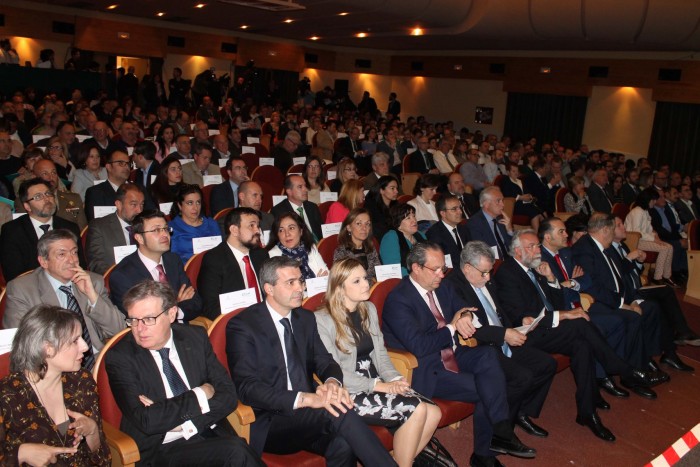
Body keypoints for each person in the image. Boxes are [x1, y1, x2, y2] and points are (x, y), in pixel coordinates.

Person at [226, 256, 397, 465]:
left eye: (301, 281)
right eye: (291, 283)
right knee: (338, 409)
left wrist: (332, 383)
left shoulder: (304, 319)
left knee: (343, 444)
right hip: (271, 419)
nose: (300, 288)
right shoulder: (243, 326)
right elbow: (247, 388)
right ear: (269, 289)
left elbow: (325, 361)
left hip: (309, 416)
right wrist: (306, 399)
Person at [495, 229, 661, 440]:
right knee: (580, 324)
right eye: (533, 247)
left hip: (549, 328)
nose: (538, 251)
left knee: (582, 346)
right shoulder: (507, 273)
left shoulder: (535, 268)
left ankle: (587, 412)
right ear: (518, 251)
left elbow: (555, 303)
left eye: (538, 246)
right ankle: (621, 368)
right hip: (528, 334)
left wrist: (552, 279)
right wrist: (565, 315)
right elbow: (520, 317)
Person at [382, 242, 535, 466]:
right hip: (426, 368)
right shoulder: (399, 299)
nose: (441, 275)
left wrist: (464, 316)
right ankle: (486, 453)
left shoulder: (442, 287)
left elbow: (463, 305)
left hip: (452, 353)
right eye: (435, 269)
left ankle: (501, 432)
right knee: (488, 387)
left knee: (488, 357)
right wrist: (453, 328)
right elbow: (419, 346)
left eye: (443, 269)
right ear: (416, 268)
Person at [105, 280, 263, 466]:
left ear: (171, 314)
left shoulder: (195, 337)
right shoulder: (120, 357)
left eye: (148, 319)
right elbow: (147, 421)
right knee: (236, 452)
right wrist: (200, 394)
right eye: (132, 320)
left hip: (209, 432)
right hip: (161, 449)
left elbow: (227, 395)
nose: (139, 329)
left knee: (236, 451)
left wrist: (184, 423)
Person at [315, 258, 441, 466]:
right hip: (349, 392)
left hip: (378, 383)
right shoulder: (323, 320)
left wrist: (396, 378)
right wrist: (381, 386)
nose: (366, 284)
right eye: (356, 281)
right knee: (418, 409)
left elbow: (381, 354)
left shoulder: (368, 310)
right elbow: (335, 373)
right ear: (339, 287)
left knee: (434, 412)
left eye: (365, 277)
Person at [444, 241, 557, 438]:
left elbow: (499, 309)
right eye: (484, 273)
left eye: (490, 271)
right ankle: (502, 429)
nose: (488, 277)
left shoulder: (484, 278)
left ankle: (519, 412)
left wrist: (519, 322)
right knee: (522, 377)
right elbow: (472, 329)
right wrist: (504, 334)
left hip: (505, 335)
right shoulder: (453, 285)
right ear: (468, 268)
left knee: (547, 364)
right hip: (485, 345)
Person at [0, 304, 111, 465]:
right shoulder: (7, 396)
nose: (85, 347)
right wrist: (20, 453)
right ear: (48, 349)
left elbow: (102, 460)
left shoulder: (81, 381)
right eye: (74, 341)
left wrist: (92, 431)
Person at [4, 229, 125, 365]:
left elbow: (119, 329)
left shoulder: (92, 281)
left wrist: (92, 296)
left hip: (97, 360)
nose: (72, 260)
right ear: (43, 261)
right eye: (62, 254)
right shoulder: (22, 289)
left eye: (74, 252)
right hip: (52, 364)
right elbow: (20, 343)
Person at [608, 216, 697, 368]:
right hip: (629, 292)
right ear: (609, 230)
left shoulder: (622, 246)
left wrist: (639, 262)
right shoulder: (608, 250)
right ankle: (675, 343)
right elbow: (617, 276)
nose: (624, 227)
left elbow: (634, 271)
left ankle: (673, 347)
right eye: (619, 225)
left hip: (636, 287)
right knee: (661, 298)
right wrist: (630, 259)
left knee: (665, 293)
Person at [109, 210, 205, 320]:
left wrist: (174, 310)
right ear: (139, 238)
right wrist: (174, 306)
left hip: (182, 330)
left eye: (165, 229)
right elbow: (142, 319)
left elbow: (196, 302)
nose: (165, 234)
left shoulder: (173, 260)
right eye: (156, 230)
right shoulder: (122, 276)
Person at [0, 179, 85, 282]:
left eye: (48, 194)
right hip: (31, 289)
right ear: (27, 206)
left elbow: (80, 266)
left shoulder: (69, 227)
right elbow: (14, 274)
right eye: (38, 197)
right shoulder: (12, 231)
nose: (46, 199)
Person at [198, 207, 269, 315]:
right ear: (234, 230)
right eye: (251, 225)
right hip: (238, 320)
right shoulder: (214, 259)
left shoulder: (261, 254)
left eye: (258, 226)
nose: (257, 231)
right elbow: (210, 306)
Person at [86, 183, 145, 274]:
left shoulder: (145, 225)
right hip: (116, 280)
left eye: (141, 205)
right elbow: (97, 264)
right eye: (134, 205)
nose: (139, 210)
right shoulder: (99, 226)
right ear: (119, 204)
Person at [624, 188, 676, 286]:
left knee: (670, 247)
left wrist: (655, 237)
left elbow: (649, 229)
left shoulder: (645, 211)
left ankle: (667, 275)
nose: (655, 202)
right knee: (664, 248)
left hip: (643, 239)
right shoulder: (637, 211)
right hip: (634, 240)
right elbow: (636, 232)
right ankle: (657, 277)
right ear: (648, 199)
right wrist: (654, 239)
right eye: (654, 199)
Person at [168, 184, 221, 263]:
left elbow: (221, 252)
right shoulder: (172, 228)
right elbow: (172, 261)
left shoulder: (212, 224)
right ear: (179, 205)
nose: (195, 208)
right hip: (186, 272)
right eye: (190, 203)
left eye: (198, 202)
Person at [267, 212, 328, 280]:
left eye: (291, 228)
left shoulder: (310, 247)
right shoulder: (272, 256)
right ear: (277, 235)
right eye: (281, 230)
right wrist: (317, 283)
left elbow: (326, 274)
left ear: (301, 231)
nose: (287, 234)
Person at [271, 174, 324, 242]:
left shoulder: (312, 207)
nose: (305, 190)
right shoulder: (279, 211)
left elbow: (321, 232)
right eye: (300, 187)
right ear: (289, 191)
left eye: (305, 186)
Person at [333, 208, 381, 282]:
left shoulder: (371, 249)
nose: (364, 228)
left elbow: (379, 274)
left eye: (367, 224)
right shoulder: (341, 253)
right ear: (349, 227)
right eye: (359, 223)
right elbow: (343, 281)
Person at [466, 186, 514, 260]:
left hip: (510, 259)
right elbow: (481, 252)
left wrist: (509, 230)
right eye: (498, 201)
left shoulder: (501, 219)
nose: (503, 205)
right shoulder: (474, 224)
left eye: (502, 200)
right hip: (494, 263)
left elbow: (511, 246)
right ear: (486, 204)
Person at [380, 204, 427, 277]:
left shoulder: (420, 235)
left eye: (414, 216)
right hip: (404, 281)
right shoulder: (391, 237)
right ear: (398, 223)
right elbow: (394, 269)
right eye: (408, 218)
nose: (414, 220)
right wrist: (419, 276)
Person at [84, 149, 132, 221]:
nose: (126, 167)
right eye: (121, 163)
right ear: (109, 167)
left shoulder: (139, 190)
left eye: (128, 164)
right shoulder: (95, 193)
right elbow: (94, 224)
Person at [426, 195, 471, 268]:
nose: (460, 212)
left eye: (460, 208)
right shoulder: (434, 235)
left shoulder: (463, 228)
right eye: (454, 209)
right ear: (443, 213)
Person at [500, 161, 545, 230]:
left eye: (517, 171)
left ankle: (544, 234)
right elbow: (507, 194)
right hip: (515, 206)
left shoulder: (520, 181)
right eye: (513, 171)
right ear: (508, 172)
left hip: (526, 204)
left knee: (543, 213)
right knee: (534, 213)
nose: (516, 173)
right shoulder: (506, 181)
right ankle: (537, 236)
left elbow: (527, 191)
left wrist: (529, 196)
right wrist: (521, 198)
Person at [365, 175, 399, 241]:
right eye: (392, 188)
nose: (396, 191)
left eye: (396, 188)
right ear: (381, 190)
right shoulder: (371, 206)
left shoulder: (396, 204)